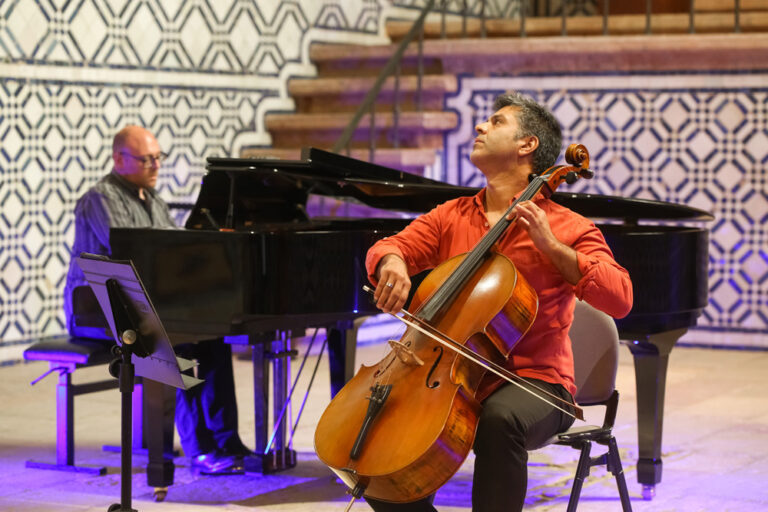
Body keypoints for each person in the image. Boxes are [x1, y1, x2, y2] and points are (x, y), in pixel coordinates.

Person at [363, 92, 633, 511]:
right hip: (451, 381)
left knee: (499, 420)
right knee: (382, 452)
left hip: (537, 383)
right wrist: (392, 265)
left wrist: (553, 248)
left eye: (496, 121)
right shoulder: (451, 215)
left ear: (527, 146)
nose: (480, 127)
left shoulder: (567, 226)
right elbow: (392, 246)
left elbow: (620, 297)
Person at [63, 125, 250, 475]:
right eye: (146, 159)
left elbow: (170, 255)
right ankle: (201, 451)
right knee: (173, 348)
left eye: (157, 158)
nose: (155, 166)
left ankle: (228, 440)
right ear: (119, 159)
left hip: (143, 305)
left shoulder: (154, 198)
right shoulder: (101, 198)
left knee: (213, 339)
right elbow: (130, 258)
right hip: (99, 309)